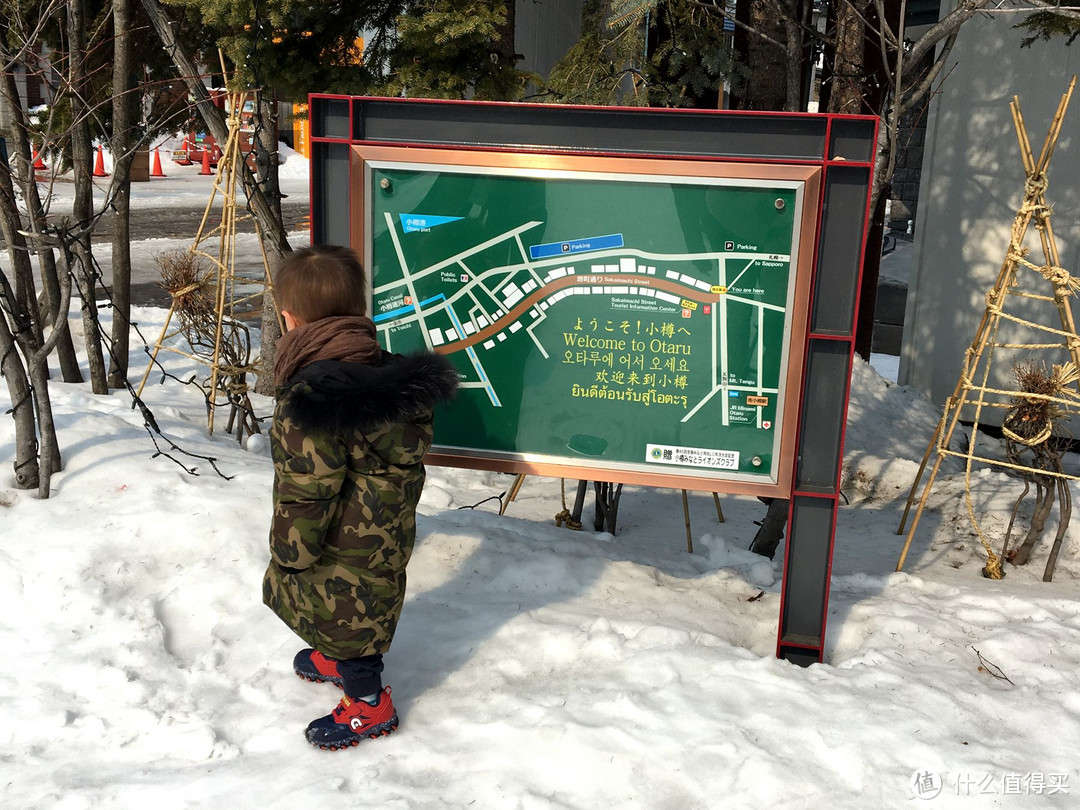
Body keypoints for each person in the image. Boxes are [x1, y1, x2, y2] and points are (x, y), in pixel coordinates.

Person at [262, 244, 458, 750]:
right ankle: (337, 651)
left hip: (339, 535)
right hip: (384, 527)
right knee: (356, 604)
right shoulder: (387, 375)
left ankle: (368, 704)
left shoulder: (316, 399)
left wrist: (290, 550)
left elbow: (306, 489)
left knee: (349, 612)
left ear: (289, 319)